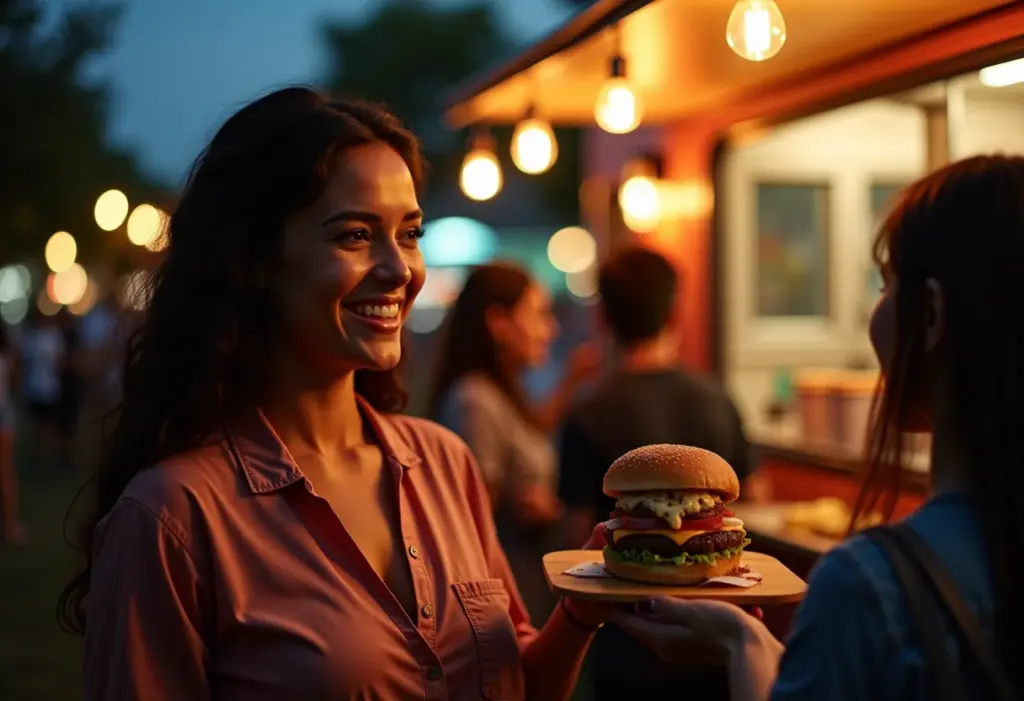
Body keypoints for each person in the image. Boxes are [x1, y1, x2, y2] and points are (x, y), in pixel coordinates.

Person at [58, 87, 611, 701]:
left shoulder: (445, 463)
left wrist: (586, 602)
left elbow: (518, 684)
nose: (401, 270)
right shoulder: (173, 518)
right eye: (354, 235)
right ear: (255, 259)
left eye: (409, 233)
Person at [609, 155, 1024, 700]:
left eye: (884, 286)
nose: (874, 315)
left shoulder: (870, 585)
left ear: (930, 315)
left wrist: (743, 646)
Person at [556, 245, 758, 700]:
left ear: (603, 317)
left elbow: (576, 536)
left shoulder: (587, 411)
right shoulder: (719, 400)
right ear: (676, 311)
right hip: (718, 638)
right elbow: (753, 501)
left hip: (626, 642)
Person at [430, 262, 597, 622]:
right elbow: (471, 518)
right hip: (500, 602)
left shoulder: (500, 393)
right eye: (538, 315)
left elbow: (529, 431)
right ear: (499, 324)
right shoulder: (474, 400)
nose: (549, 331)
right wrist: (541, 513)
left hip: (523, 590)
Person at [0, 323, 25, 545]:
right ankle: (10, 524)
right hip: (4, 416)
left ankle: (9, 524)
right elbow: (15, 383)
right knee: (6, 473)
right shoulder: (6, 357)